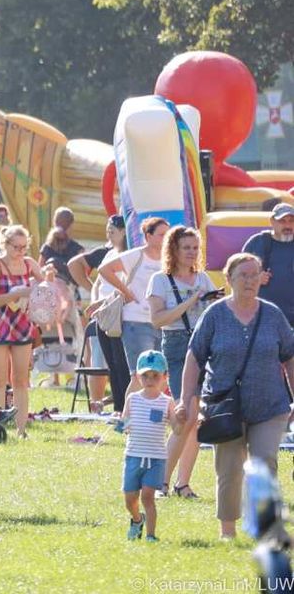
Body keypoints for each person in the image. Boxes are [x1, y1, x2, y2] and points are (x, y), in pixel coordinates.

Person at [178, 252, 294, 540]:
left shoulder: (272, 315)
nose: (250, 280)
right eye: (243, 275)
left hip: (270, 406)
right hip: (224, 407)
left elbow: (290, 357)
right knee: (229, 470)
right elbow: (194, 357)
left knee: (265, 461)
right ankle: (227, 532)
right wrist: (185, 399)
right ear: (228, 279)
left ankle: (266, 528)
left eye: (255, 275)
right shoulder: (214, 315)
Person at [147, 226, 218, 500]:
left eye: (194, 248)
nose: (191, 253)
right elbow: (157, 320)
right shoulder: (160, 280)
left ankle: (182, 484)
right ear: (173, 250)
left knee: (196, 422)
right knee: (184, 414)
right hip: (177, 345)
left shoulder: (203, 279)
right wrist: (190, 302)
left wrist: (214, 302)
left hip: (204, 347)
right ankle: (160, 482)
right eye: (185, 247)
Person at [99, 217, 169, 397]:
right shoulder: (136, 255)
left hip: (161, 321)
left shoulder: (168, 260)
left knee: (161, 375)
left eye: (168, 234)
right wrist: (126, 292)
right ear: (148, 236)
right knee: (140, 376)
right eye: (161, 234)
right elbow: (104, 270)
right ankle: (127, 417)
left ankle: (149, 414)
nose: (166, 238)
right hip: (136, 321)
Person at [0, 224, 42, 438]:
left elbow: (45, 290)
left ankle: (21, 429)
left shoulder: (30, 264)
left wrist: (40, 288)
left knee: (20, 379)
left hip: (22, 325)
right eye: (16, 247)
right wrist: (18, 293)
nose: (20, 251)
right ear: (4, 244)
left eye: (23, 247)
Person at [69, 214, 128, 411]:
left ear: (124, 232)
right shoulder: (108, 253)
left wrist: (103, 302)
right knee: (102, 359)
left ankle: (120, 407)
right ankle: (98, 404)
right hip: (102, 313)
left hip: (119, 311)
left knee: (120, 364)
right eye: (107, 232)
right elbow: (95, 279)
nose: (109, 235)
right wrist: (94, 296)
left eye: (113, 232)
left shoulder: (129, 255)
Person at [120, 349, 180, 542]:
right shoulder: (133, 399)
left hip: (156, 457)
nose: (150, 380)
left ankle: (151, 536)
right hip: (134, 455)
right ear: (138, 376)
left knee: (147, 496)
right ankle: (137, 519)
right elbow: (125, 423)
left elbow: (177, 430)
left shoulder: (167, 402)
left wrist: (181, 419)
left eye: (155, 375)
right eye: (145, 375)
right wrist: (121, 426)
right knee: (130, 498)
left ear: (165, 377)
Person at [243, 202, 294, 327]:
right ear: (272, 222)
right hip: (263, 320)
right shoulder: (257, 243)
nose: (288, 225)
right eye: (282, 221)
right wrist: (255, 279)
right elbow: (234, 277)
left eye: (291, 221)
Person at [39, 207, 84, 288]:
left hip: (48, 290)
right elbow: (82, 275)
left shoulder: (47, 247)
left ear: (54, 222)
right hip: (69, 292)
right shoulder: (78, 250)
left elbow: (39, 271)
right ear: (71, 225)